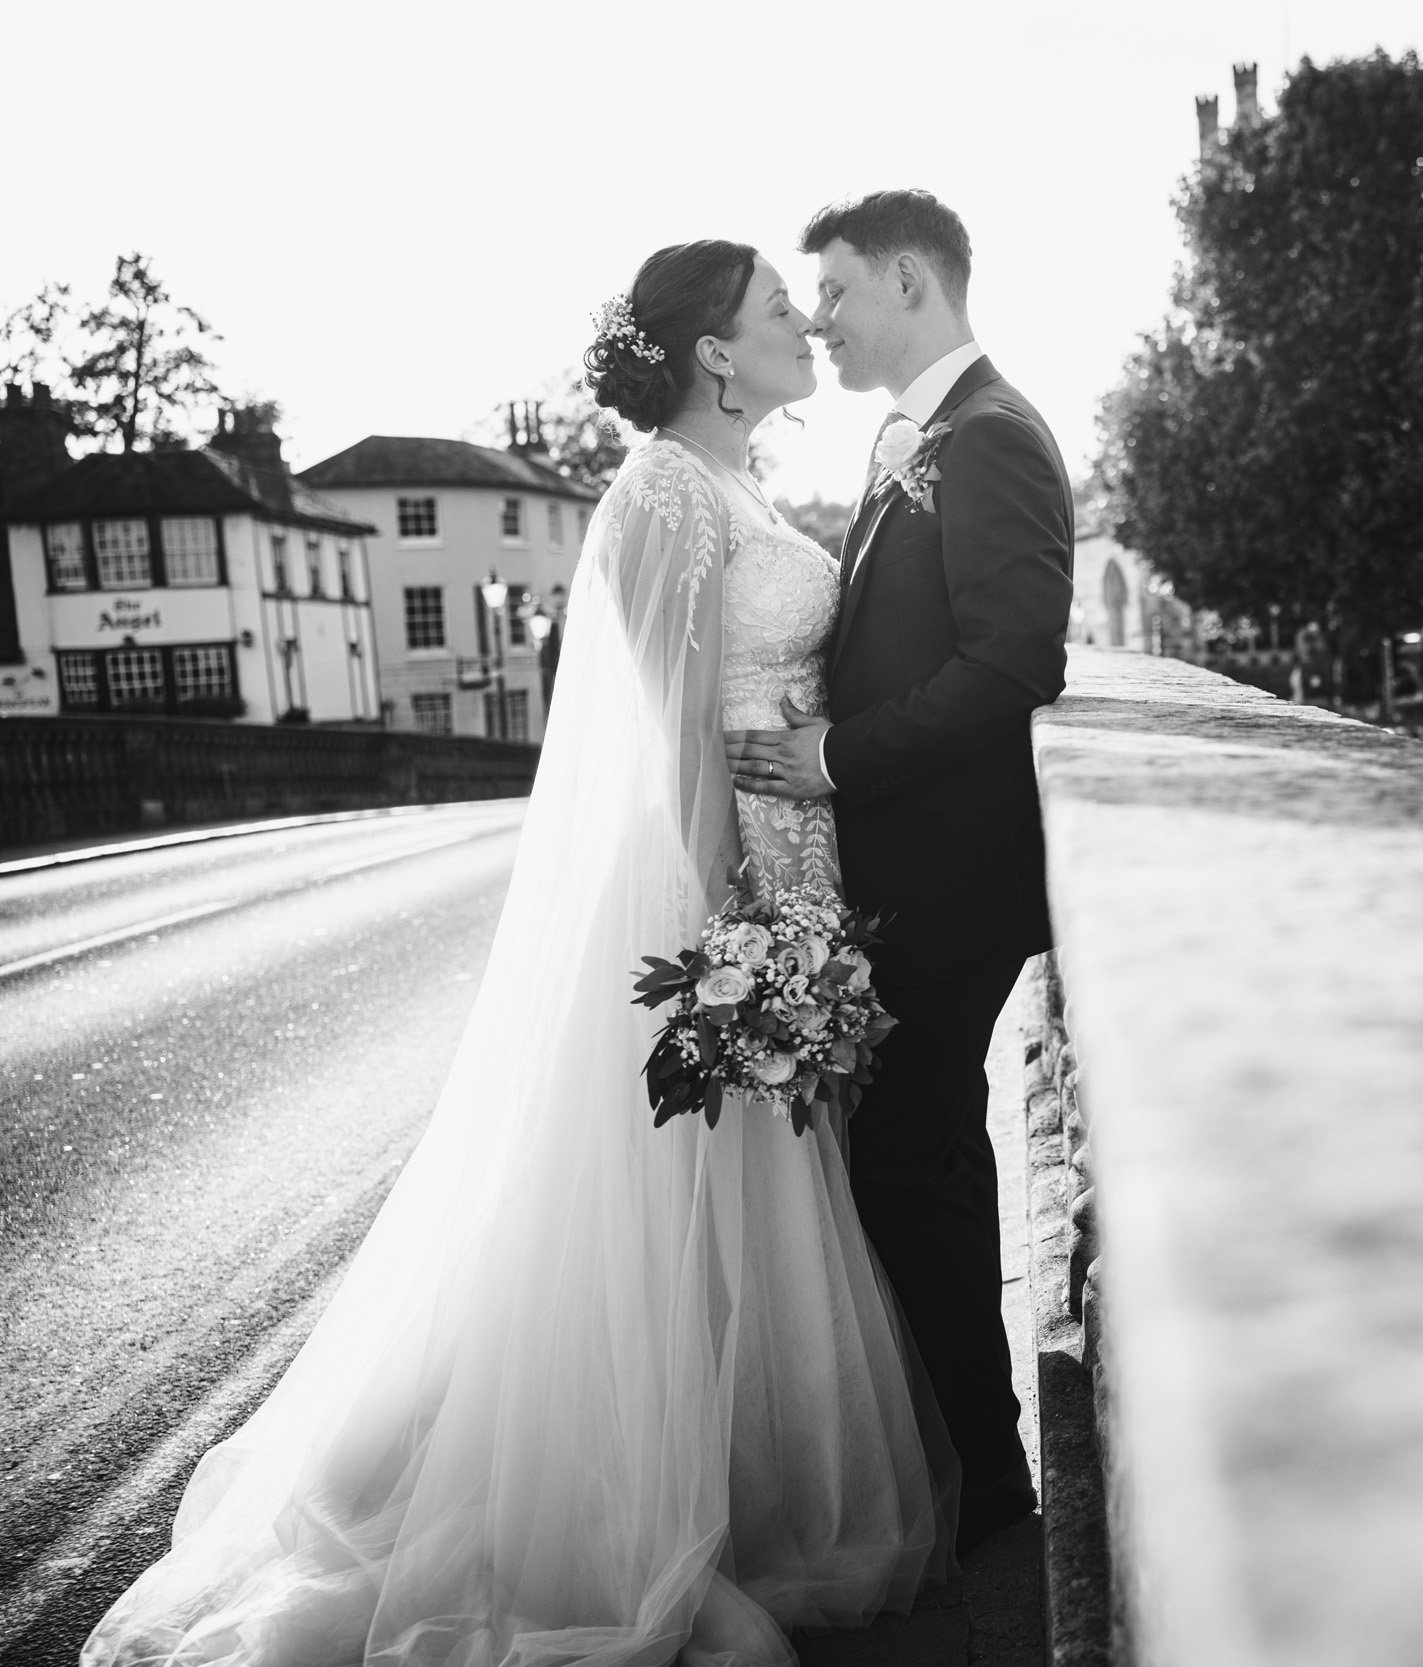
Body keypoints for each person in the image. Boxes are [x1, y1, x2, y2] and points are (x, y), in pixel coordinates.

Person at [80, 240, 956, 1667]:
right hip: (715, 885)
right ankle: (615, 1517)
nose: (806, 322)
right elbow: (674, 726)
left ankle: (729, 1486)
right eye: (780, 310)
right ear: (714, 354)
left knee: (753, 1220)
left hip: (794, 868)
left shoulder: (737, 484)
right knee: (678, 1219)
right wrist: (737, 921)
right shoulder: (661, 490)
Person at [726, 189, 1074, 1557]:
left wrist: (834, 761)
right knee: (917, 1158)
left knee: (910, 1161)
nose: (821, 318)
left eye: (840, 292)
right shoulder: (910, 435)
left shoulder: (990, 438)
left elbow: (1013, 662)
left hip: (952, 876)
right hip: (905, 870)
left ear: (914, 285)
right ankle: (961, 1459)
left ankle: (987, 1485)